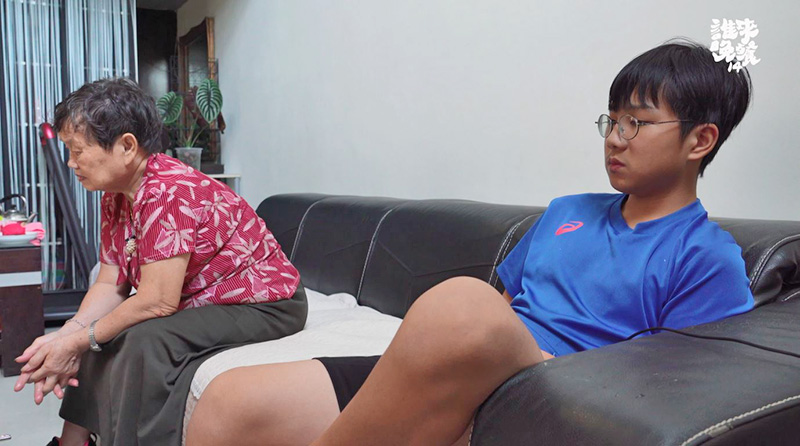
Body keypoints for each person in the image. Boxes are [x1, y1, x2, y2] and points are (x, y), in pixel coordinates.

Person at [185, 39, 754, 446]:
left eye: (637, 123)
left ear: (699, 140)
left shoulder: (708, 257)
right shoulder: (567, 212)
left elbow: (681, 394)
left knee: (463, 305)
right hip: (470, 370)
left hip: (557, 393)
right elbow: (504, 311)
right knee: (228, 402)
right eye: (611, 121)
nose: (615, 139)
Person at [13, 78, 308, 446]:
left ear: (126, 146)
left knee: (142, 340)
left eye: (77, 150)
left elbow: (157, 301)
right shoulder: (115, 195)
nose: (71, 163)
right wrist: (71, 334)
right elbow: (109, 283)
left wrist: (78, 340)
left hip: (267, 303)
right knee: (97, 335)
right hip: (202, 298)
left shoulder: (169, 191)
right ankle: (72, 442)